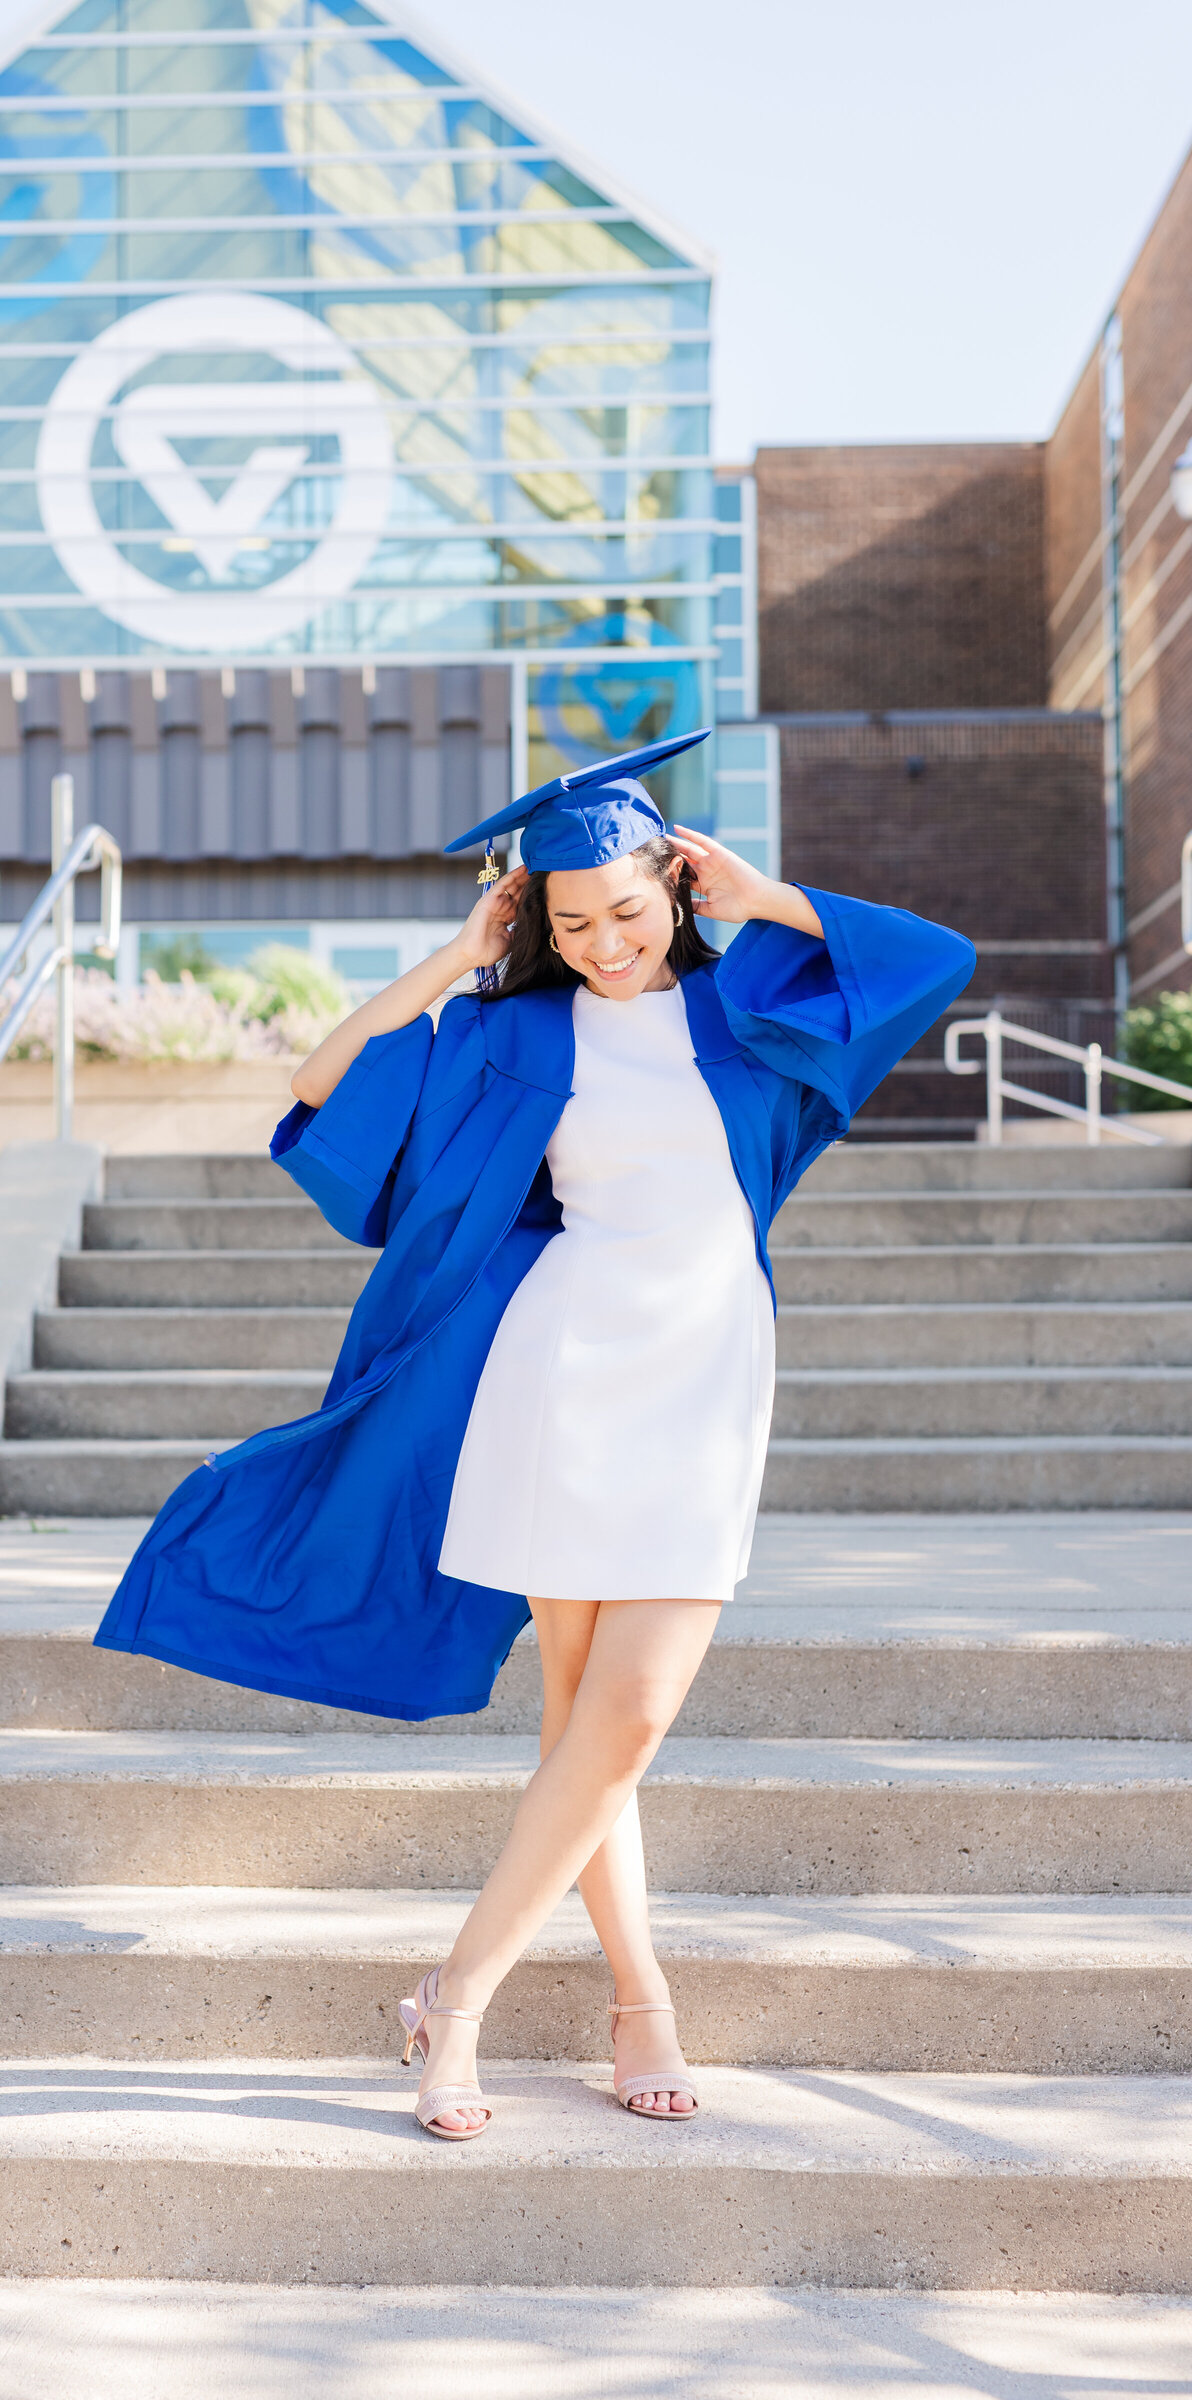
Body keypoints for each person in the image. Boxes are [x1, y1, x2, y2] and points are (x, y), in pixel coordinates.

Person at [96, 731, 976, 2141]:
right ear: (540, 925)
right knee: (594, 1730)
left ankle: (457, 1996)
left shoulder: (745, 1005)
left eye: (629, 912)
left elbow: (932, 958)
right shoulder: (512, 1033)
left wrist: (772, 897)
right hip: (561, 1370)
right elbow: (323, 1092)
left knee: (620, 1721)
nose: (607, 942)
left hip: (704, 1376)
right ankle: (630, 2012)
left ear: (674, 894)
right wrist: (460, 959)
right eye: (572, 923)